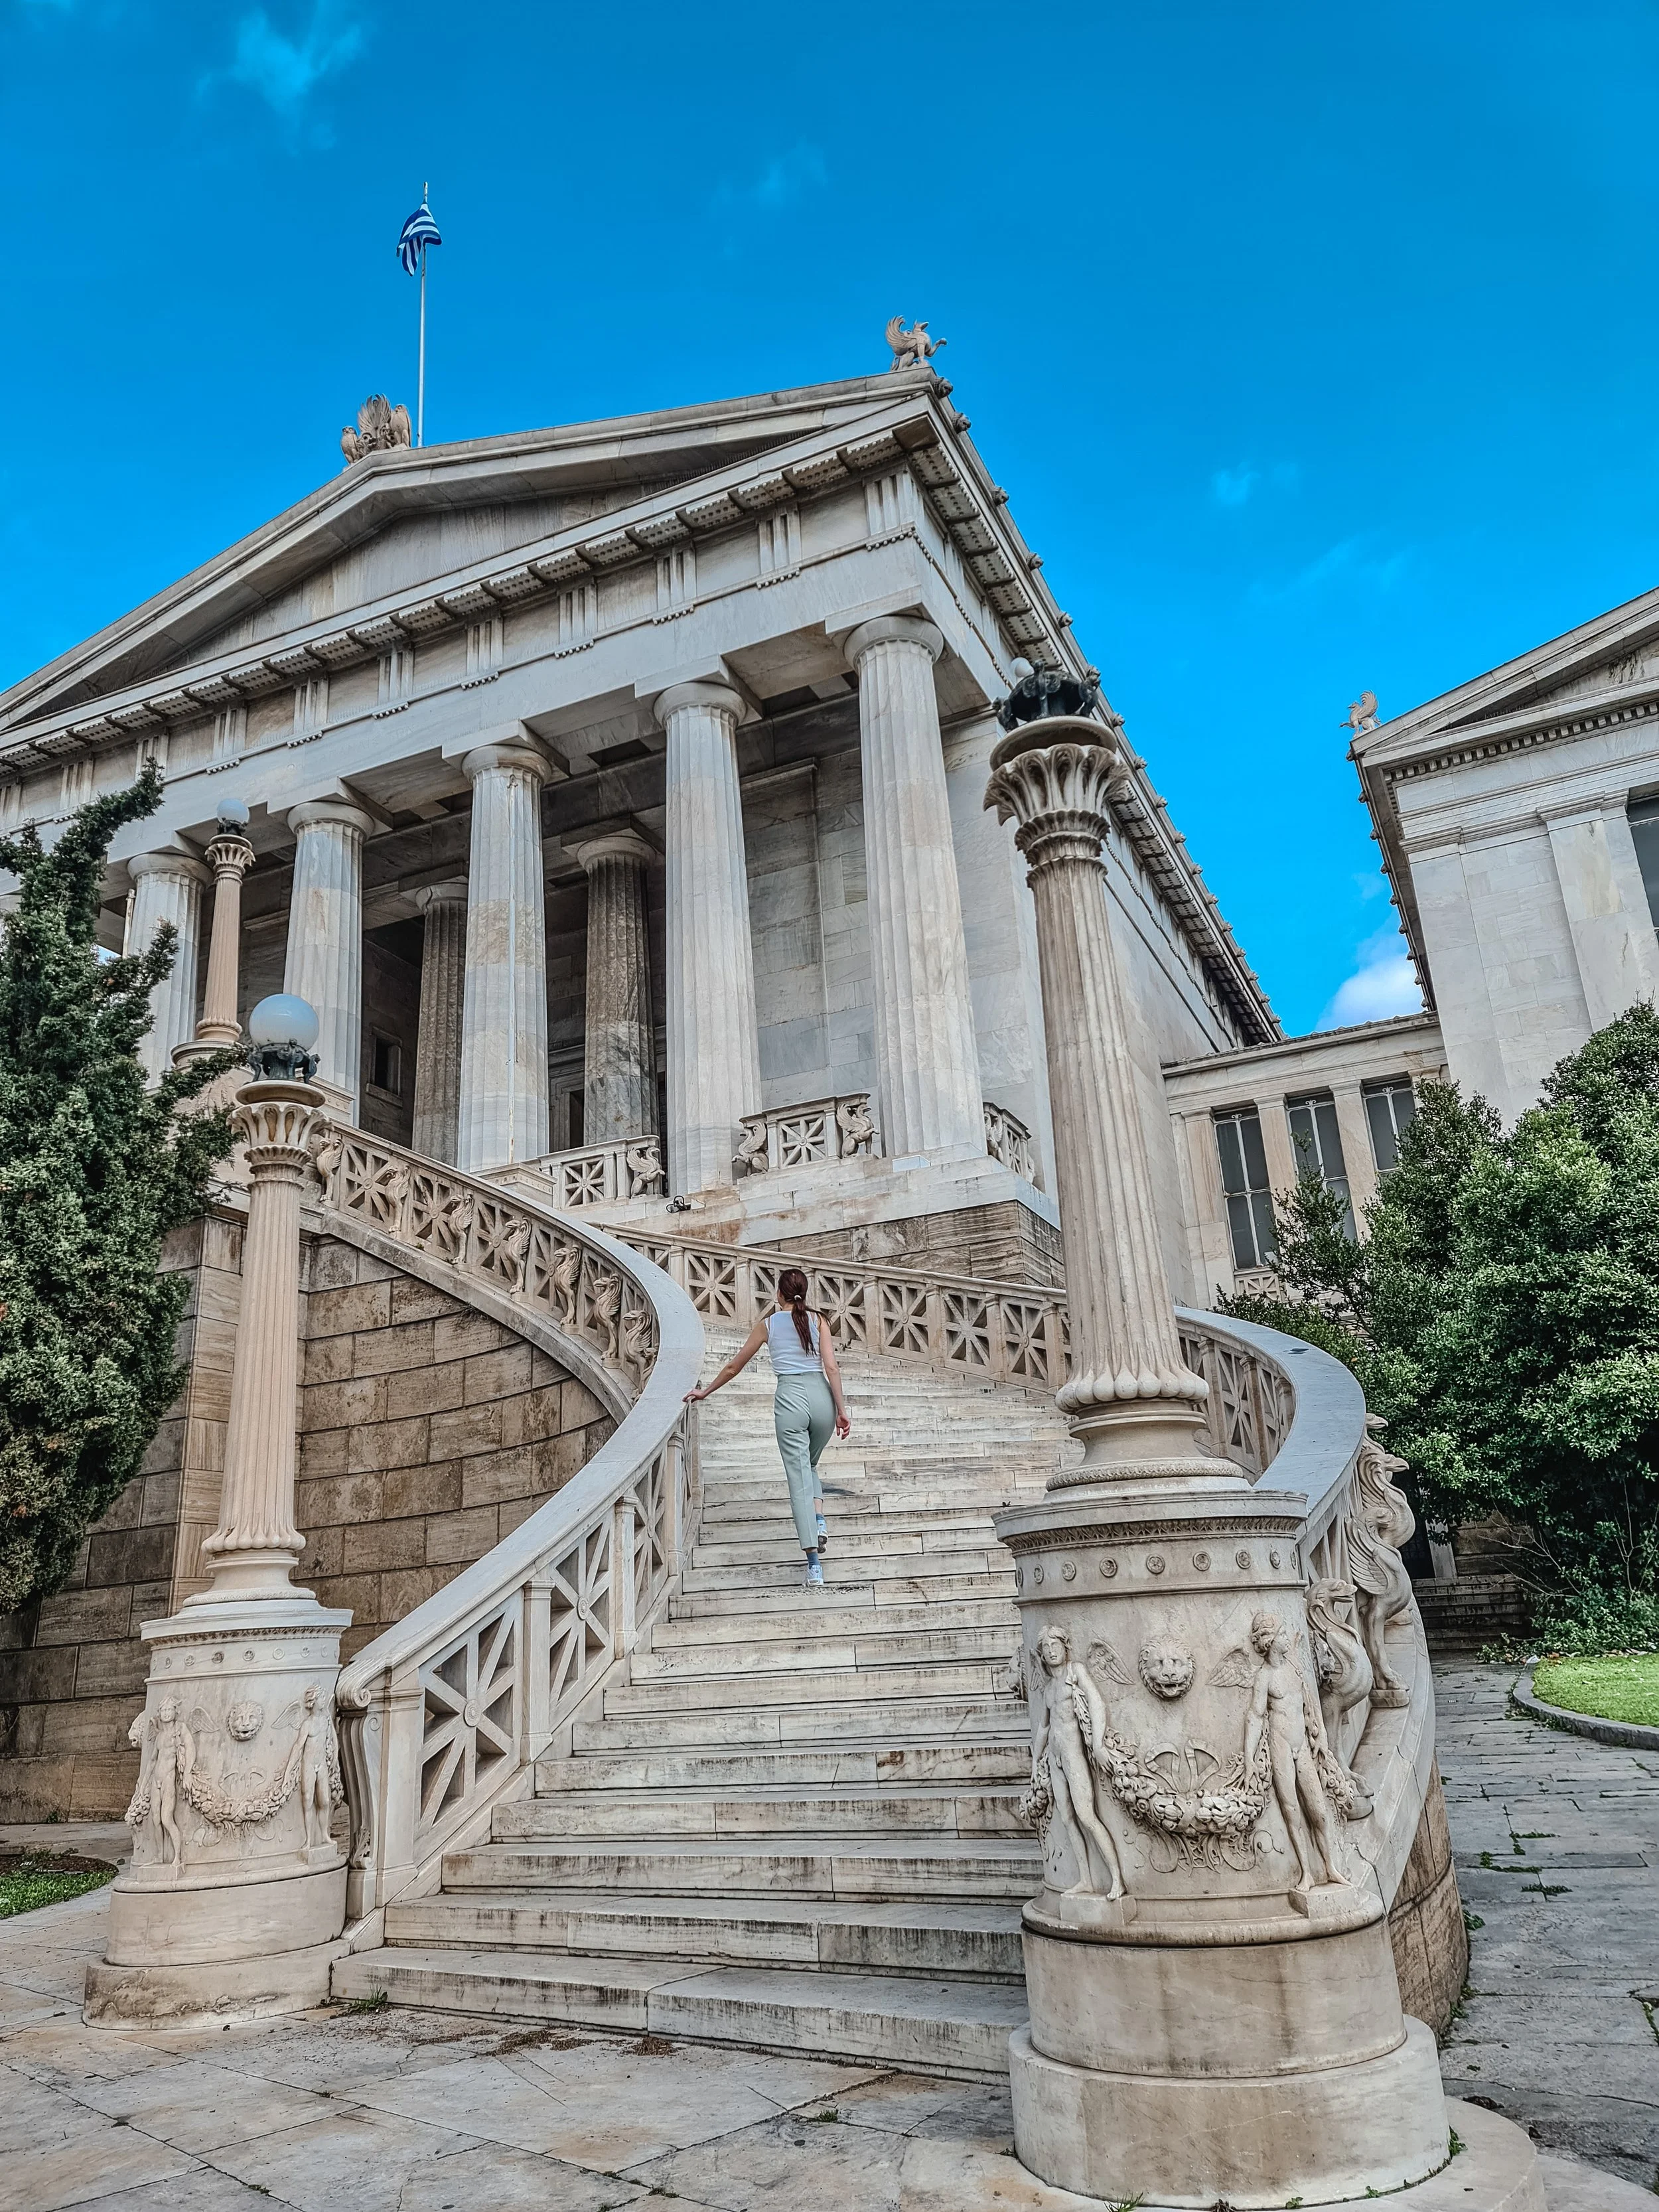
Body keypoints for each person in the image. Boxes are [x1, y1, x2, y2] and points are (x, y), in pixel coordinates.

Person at [684, 1268, 851, 1587]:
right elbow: (831, 1366)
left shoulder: (768, 1325)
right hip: (822, 1399)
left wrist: (705, 1391)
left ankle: (814, 1565)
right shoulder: (820, 1321)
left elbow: (735, 1366)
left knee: (799, 1478)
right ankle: (818, 1519)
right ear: (805, 1292)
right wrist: (842, 1410)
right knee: (810, 1466)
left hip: (791, 1400)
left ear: (779, 1294)